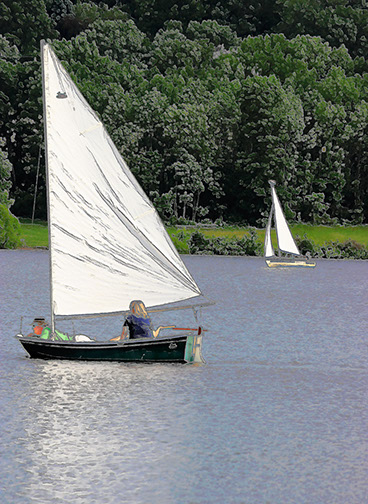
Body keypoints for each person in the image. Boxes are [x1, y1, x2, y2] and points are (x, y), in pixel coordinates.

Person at [110, 300, 175, 341]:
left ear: (132, 309)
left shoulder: (129, 318)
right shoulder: (147, 319)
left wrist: (120, 343)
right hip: (149, 340)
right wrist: (159, 328)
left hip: (135, 341)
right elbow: (154, 335)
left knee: (112, 340)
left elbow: (124, 335)